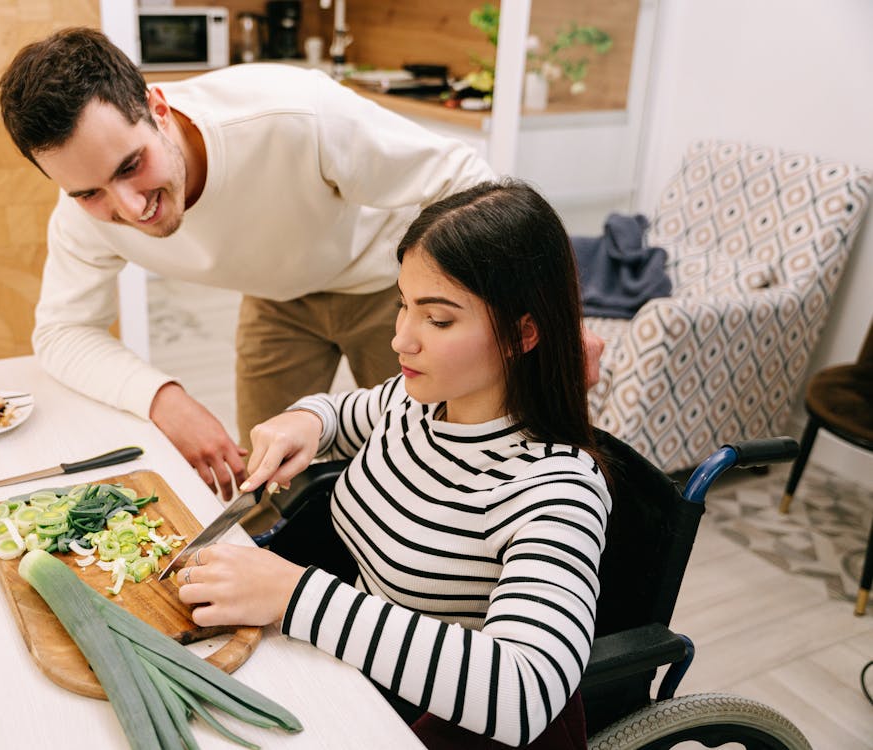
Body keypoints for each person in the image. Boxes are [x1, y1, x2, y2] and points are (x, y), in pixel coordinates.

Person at [175, 180, 612, 749]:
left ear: (522, 333)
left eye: (439, 320)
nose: (401, 339)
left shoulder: (558, 491)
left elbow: (524, 692)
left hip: (420, 721)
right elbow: (336, 416)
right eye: (403, 304)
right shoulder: (415, 403)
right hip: (350, 678)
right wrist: (303, 422)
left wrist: (294, 595)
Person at [0, 27, 504, 499]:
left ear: (158, 109)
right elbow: (62, 331)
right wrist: (164, 400)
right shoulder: (83, 216)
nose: (129, 209)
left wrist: (537, 306)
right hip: (277, 297)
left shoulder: (292, 113)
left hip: (388, 286)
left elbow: (471, 183)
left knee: (433, 468)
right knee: (262, 482)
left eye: (131, 166)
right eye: (90, 192)